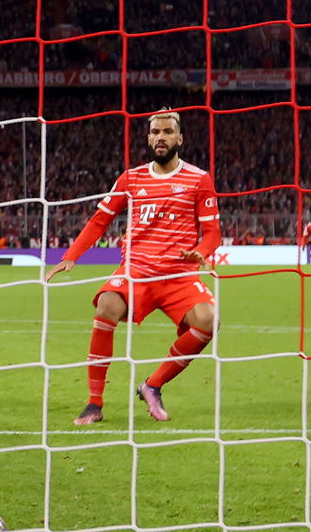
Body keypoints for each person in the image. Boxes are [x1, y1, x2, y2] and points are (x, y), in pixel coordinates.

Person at [44, 109, 221, 424]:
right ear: (148, 137)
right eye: (155, 132)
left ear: (180, 138)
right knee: (107, 305)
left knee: (208, 320)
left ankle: (152, 385)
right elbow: (100, 220)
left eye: (167, 132)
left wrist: (202, 250)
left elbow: (212, 233)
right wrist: (71, 255)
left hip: (178, 275)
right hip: (136, 270)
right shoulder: (131, 178)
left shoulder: (199, 179)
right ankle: (94, 403)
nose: (161, 137)